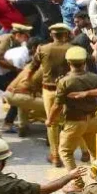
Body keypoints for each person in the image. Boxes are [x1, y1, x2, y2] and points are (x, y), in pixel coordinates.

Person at [46, 46, 97, 194]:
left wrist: (50, 120)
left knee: (65, 151)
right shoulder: (96, 78)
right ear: (84, 61)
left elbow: (57, 105)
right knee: (95, 151)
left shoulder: (65, 81)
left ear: (68, 62)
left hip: (74, 122)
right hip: (93, 120)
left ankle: (78, 184)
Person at [29, 23, 73, 167]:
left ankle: (55, 156)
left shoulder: (42, 48)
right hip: (68, 90)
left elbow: (32, 68)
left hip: (49, 90)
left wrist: (31, 83)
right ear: (66, 34)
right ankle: (81, 152)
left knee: (52, 122)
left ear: (51, 35)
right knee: (70, 121)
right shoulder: (73, 49)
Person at [0, 23, 33, 133]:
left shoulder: (16, 42)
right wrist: (16, 69)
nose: (27, 39)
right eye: (25, 36)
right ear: (18, 34)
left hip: (3, 70)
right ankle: (7, 123)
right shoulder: (7, 40)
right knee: (17, 95)